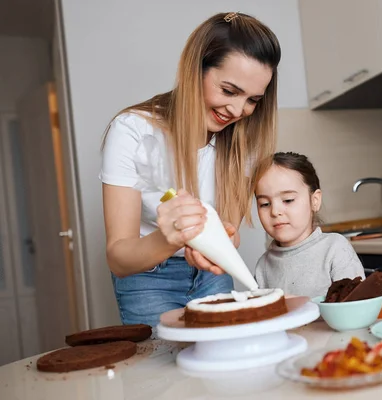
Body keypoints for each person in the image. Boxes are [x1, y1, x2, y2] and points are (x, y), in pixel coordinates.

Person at [100, 12, 281, 326]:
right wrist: (171, 238)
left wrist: (219, 243)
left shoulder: (242, 140)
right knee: (162, 371)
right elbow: (118, 258)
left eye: (253, 99)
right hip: (148, 279)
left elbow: (227, 229)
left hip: (211, 275)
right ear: (194, 69)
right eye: (229, 91)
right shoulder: (133, 132)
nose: (238, 111)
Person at [253, 152, 365, 298]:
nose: (275, 211)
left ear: (315, 200)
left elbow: (355, 306)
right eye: (264, 204)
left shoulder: (335, 248)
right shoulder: (263, 265)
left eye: (288, 200)